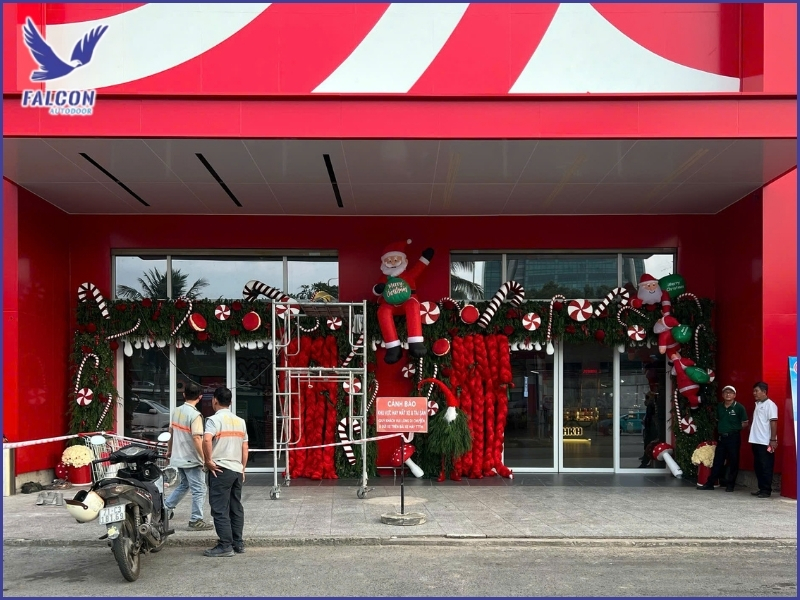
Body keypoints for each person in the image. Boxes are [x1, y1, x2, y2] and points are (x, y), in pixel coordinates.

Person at [203, 387, 249, 557]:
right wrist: (242, 468)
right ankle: (238, 543)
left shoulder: (213, 420)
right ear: (230, 402)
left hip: (220, 470)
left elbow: (207, 439)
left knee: (220, 509)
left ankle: (225, 545)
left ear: (214, 400)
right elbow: (245, 447)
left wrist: (208, 461)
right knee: (235, 507)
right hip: (236, 470)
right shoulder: (240, 421)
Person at [164, 382, 213, 530]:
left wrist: (169, 450)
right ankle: (195, 520)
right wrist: (204, 458)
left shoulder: (176, 411)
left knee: (184, 485)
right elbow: (197, 438)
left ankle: (165, 509)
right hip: (191, 458)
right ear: (200, 397)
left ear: (184, 395)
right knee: (199, 489)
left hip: (179, 457)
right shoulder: (195, 415)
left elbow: (170, 433)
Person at [698, 385, 749, 492]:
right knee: (718, 460)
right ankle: (710, 483)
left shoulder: (739, 407)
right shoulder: (719, 407)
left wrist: (735, 429)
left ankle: (730, 485)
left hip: (733, 437)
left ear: (734, 395)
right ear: (722, 395)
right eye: (726, 392)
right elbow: (717, 420)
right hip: (722, 438)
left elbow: (745, 423)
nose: (728, 394)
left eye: (730, 392)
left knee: (734, 461)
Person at [748, 381, 778, 498]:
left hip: (765, 441)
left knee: (766, 466)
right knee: (758, 466)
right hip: (756, 440)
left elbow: (774, 422)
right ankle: (761, 488)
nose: (754, 393)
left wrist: (773, 440)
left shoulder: (770, 405)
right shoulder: (758, 404)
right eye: (754, 391)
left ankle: (766, 490)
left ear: (764, 392)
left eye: (756, 391)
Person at [639, 392, 659, 468]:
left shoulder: (651, 405)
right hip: (650, 427)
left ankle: (645, 462)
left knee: (649, 444)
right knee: (648, 444)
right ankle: (646, 461)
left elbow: (649, 417)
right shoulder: (652, 404)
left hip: (651, 428)